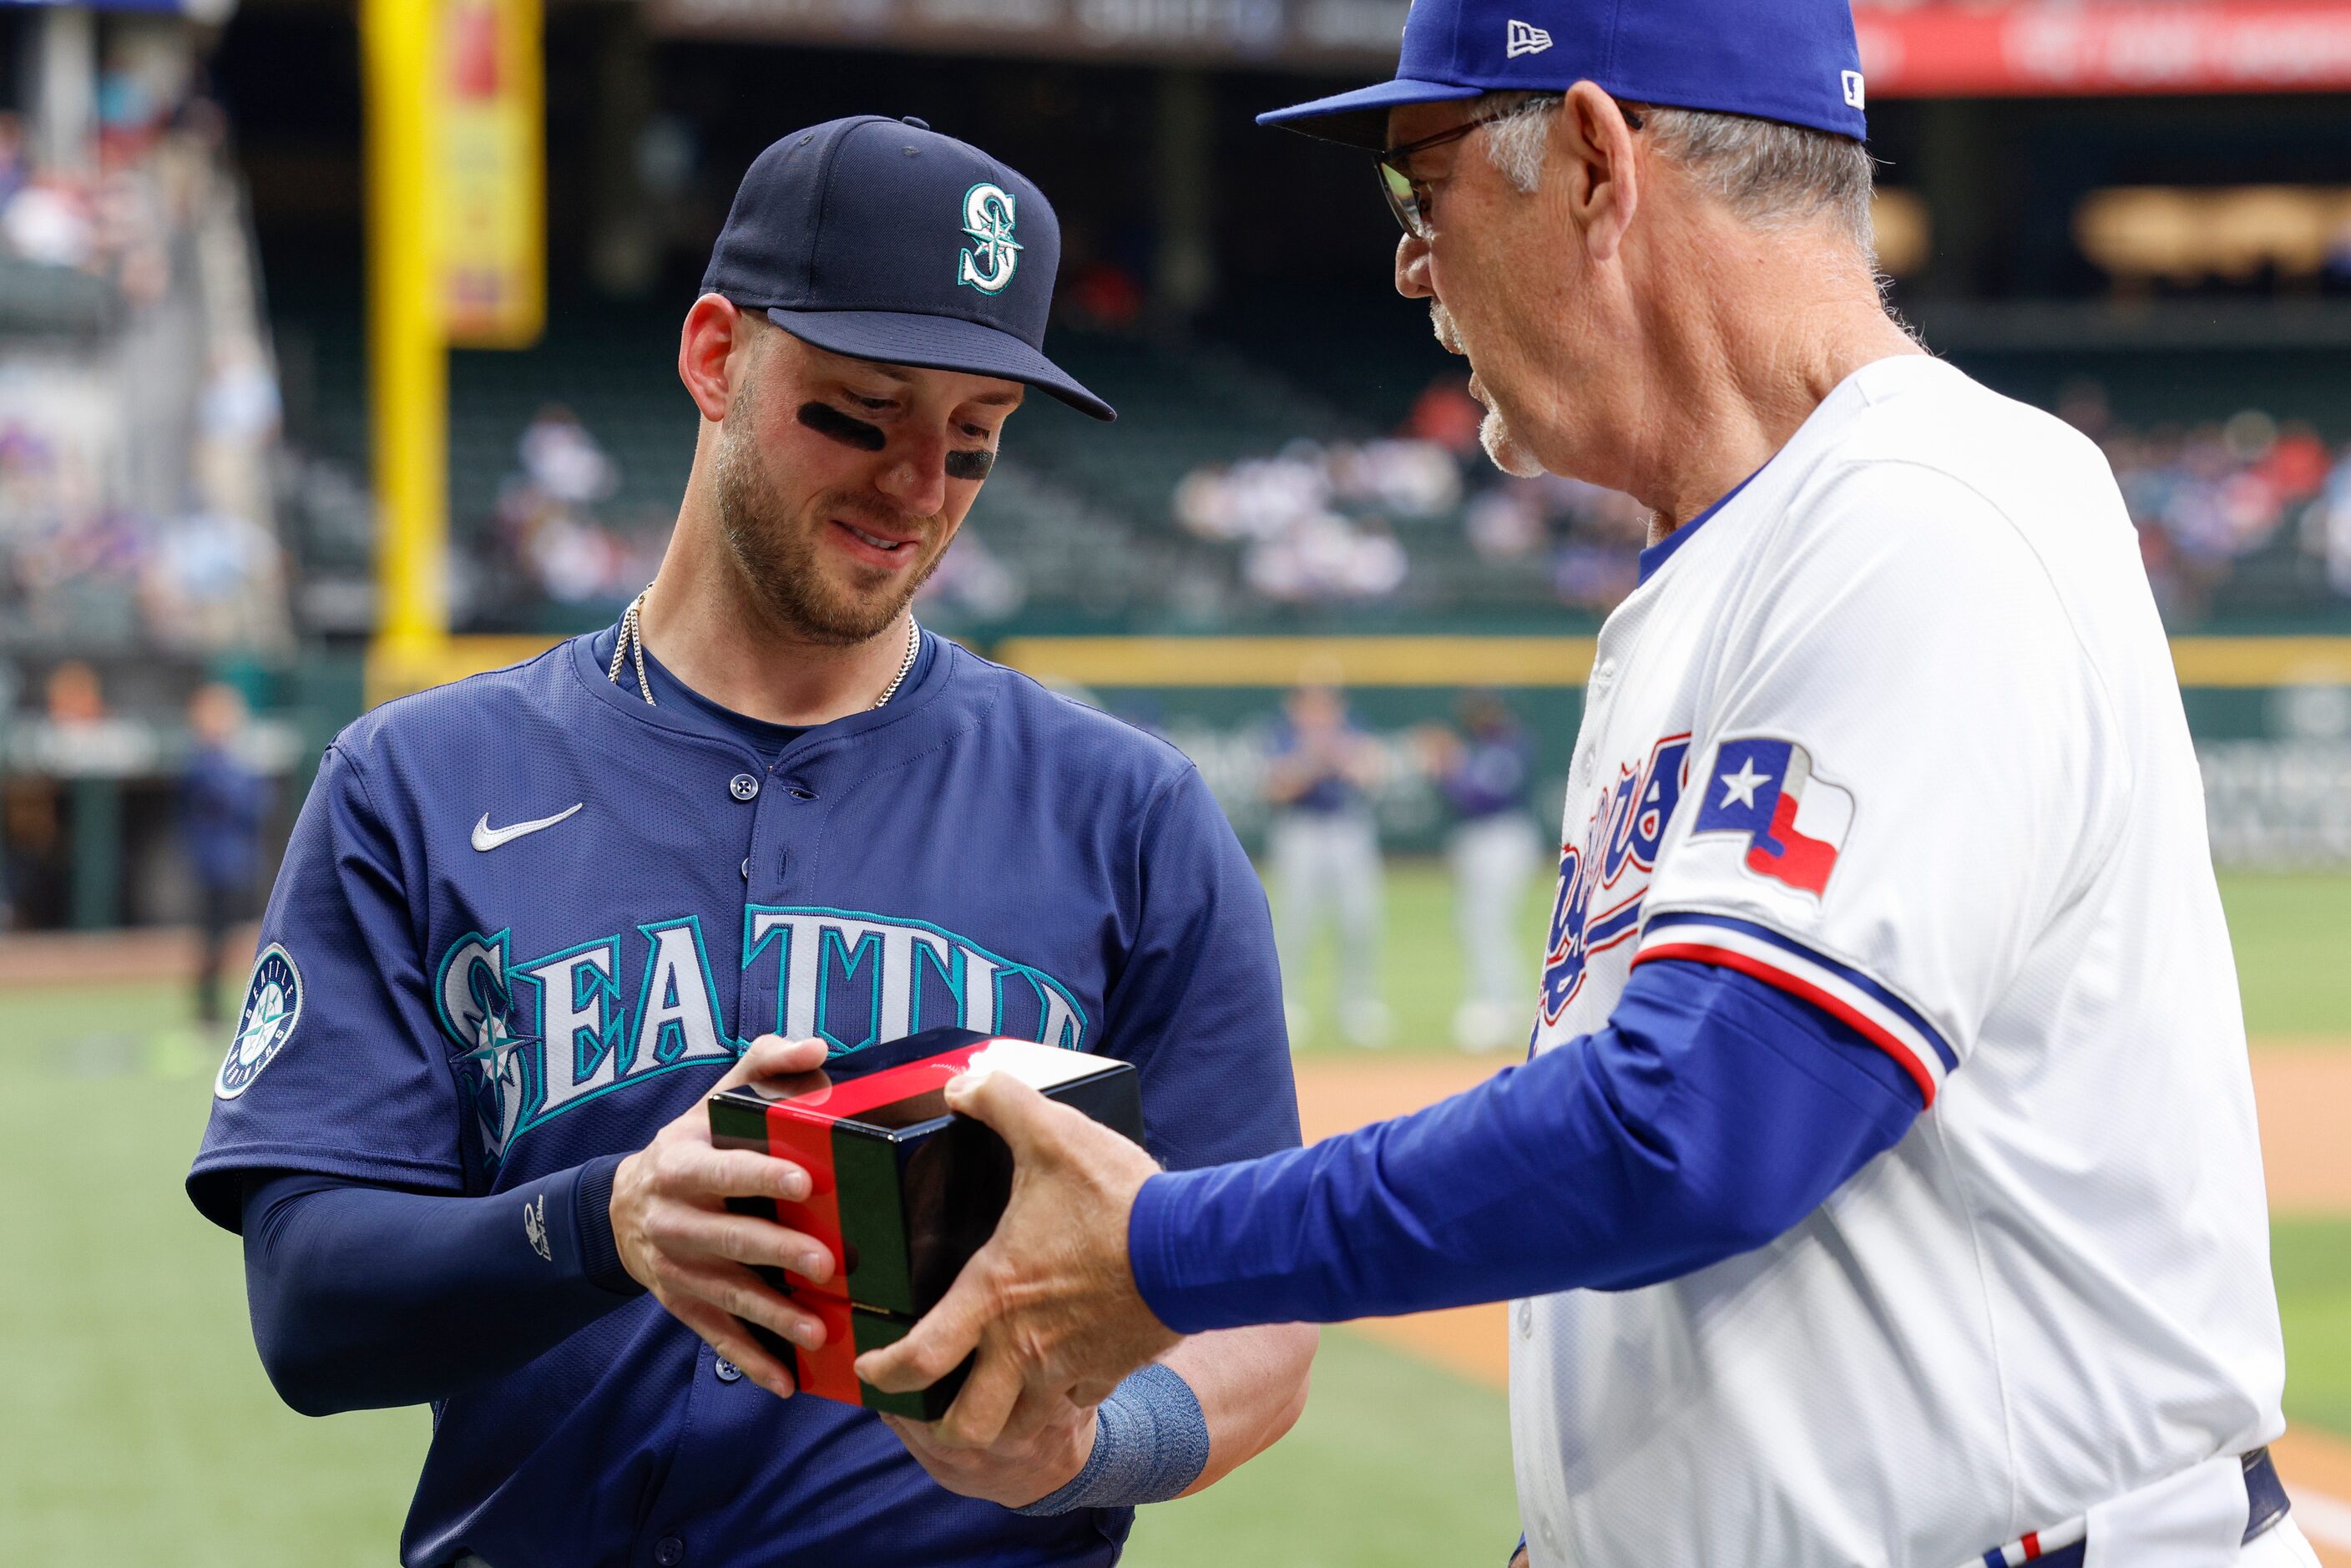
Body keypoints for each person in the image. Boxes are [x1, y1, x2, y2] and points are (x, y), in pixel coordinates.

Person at [854, 8, 2319, 1567]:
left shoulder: (1929, 506)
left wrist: (1162, 1244)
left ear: (1599, 161)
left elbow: (1699, 1123)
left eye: (1425, 190)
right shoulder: (1720, 570)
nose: (1412, 266)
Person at [186, 117, 1314, 1568]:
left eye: (973, 440)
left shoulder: (1128, 810)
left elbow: (1258, 1310)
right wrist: (605, 1220)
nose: (918, 487)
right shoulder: (415, 778)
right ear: (716, 355)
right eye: (861, 411)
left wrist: (1091, 1447)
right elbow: (308, 1302)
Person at [1262, 680, 1389, 1046]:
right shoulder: (1281, 735)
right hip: (1300, 831)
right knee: (1294, 923)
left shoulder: (1354, 730)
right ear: (1296, 706)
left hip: (1347, 828)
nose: (1319, 710)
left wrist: (1341, 757)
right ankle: (1286, 1006)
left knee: (1358, 920)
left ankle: (1358, 1005)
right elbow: (1277, 787)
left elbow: (1371, 774)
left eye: (1326, 703)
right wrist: (1312, 759)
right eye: (1310, 703)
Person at [1420, 691, 1540, 1051]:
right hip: (1480, 841)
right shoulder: (1479, 746)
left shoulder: (1511, 744)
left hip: (1503, 837)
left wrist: (1448, 770)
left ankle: (1501, 1006)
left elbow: (1481, 797)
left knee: (1489, 924)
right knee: (1476, 924)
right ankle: (1501, 1002)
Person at [182, 681, 266, 1026]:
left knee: (236, 938)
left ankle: (220, 1008)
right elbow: (242, 798)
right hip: (214, 865)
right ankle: (207, 1012)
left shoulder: (231, 760)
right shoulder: (204, 763)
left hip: (238, 862)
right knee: (213, 940)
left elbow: (258, 802)